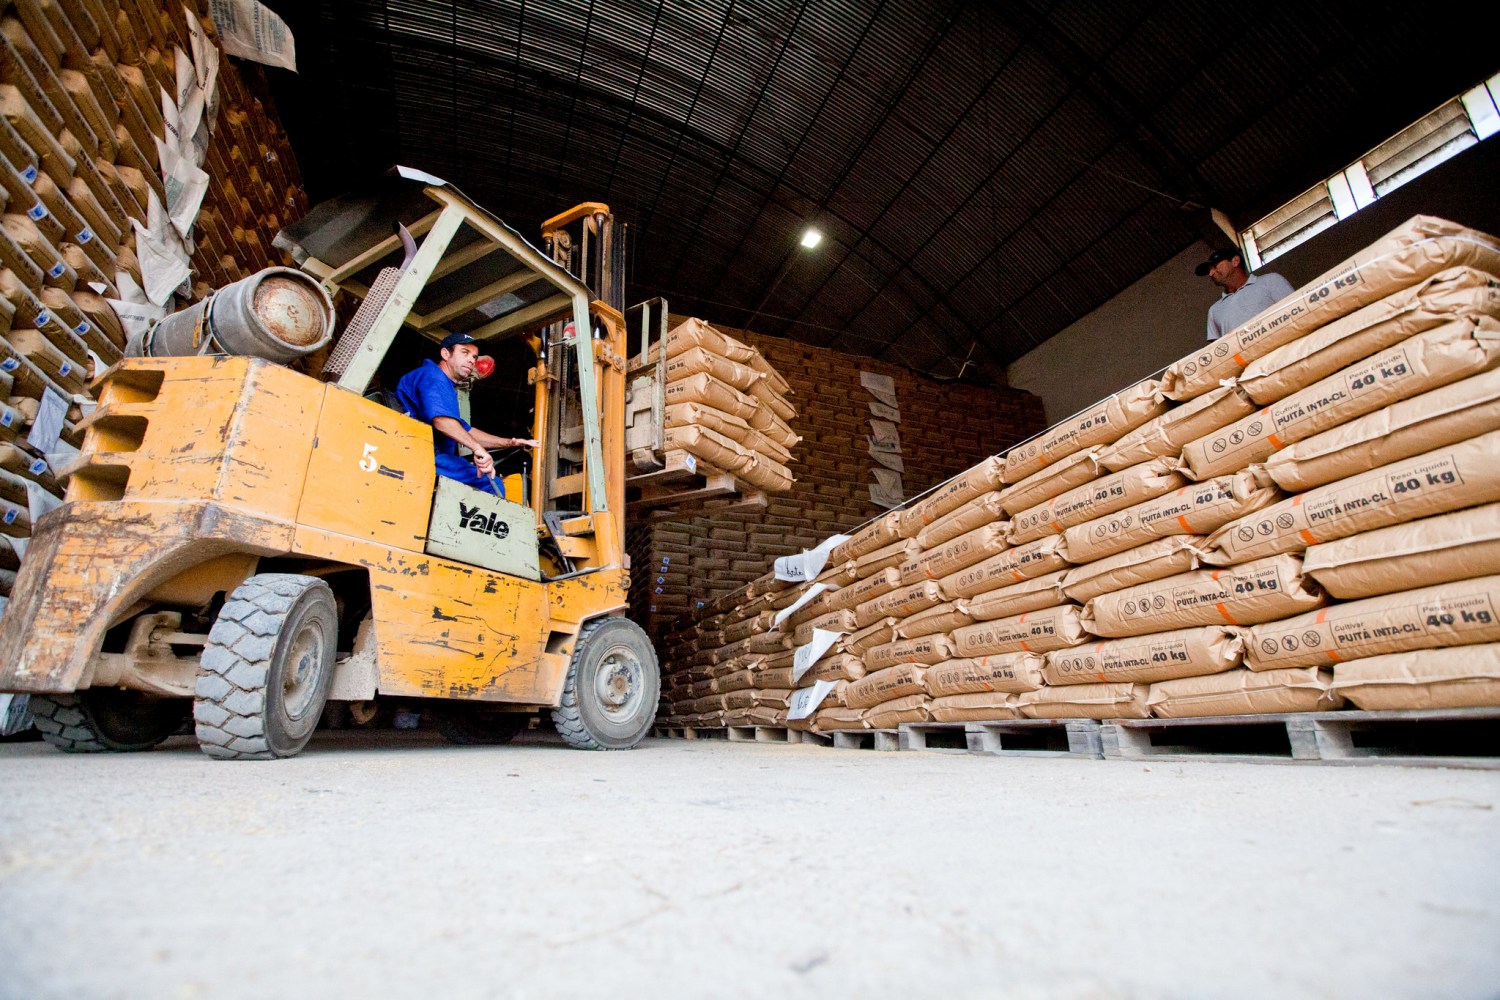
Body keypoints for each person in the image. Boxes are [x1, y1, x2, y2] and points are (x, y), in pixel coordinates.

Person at [396, 332, 537, 491]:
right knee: (492, 484)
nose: (471, 360)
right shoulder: (433, 376)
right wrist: (477, 448)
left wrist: (510, 442)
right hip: (420, 453)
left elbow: (464, 431)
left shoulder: (445, 385)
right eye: (465, 352)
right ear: (445, 354)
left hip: (428, 454)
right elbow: (442, 421)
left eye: (475, 357)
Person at [1196, 247, 1294, 342]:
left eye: (1214, 266)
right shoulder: (1214, 311)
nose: (1211, 273)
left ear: (1235, 261)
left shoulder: (1271, 281)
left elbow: (1296, 311)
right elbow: (1219, 351)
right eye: (1209, 270)